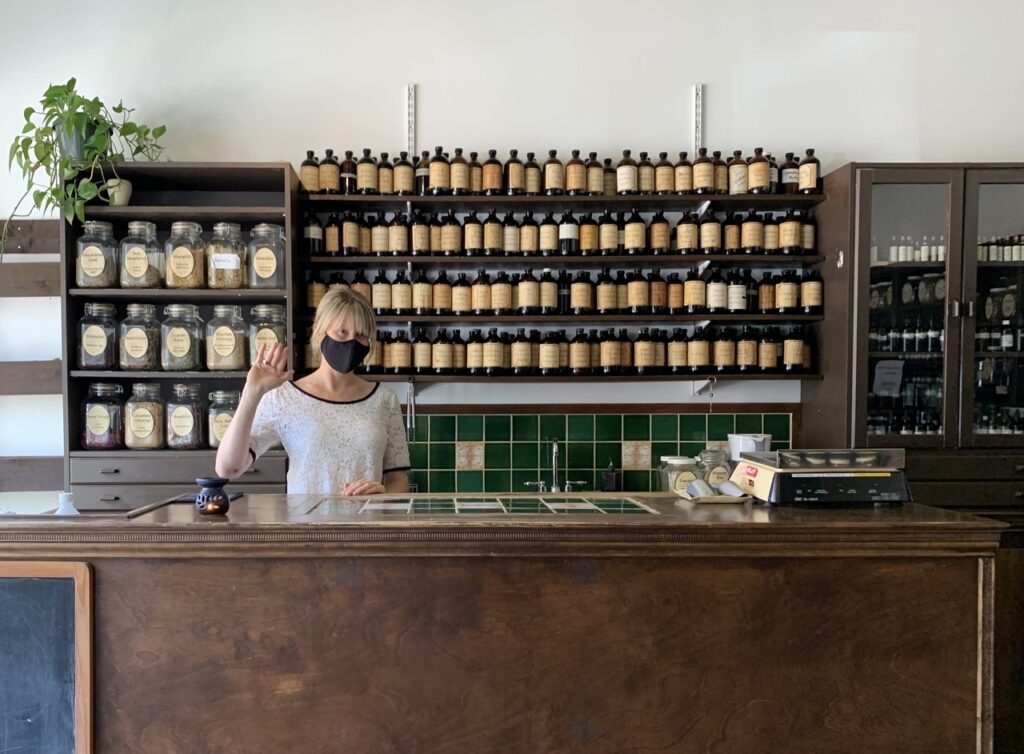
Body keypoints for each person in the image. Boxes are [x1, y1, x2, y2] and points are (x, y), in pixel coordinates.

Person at [215, 287, 410, 495]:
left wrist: (384, 493)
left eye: (361, 335)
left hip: (366, 525)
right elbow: (228, 468)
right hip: (306, 525)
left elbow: (399, 479)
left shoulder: (384, 399)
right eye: (342, 332)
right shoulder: (284, 397)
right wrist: (251, 393)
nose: (351, 342)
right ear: (318, 331)